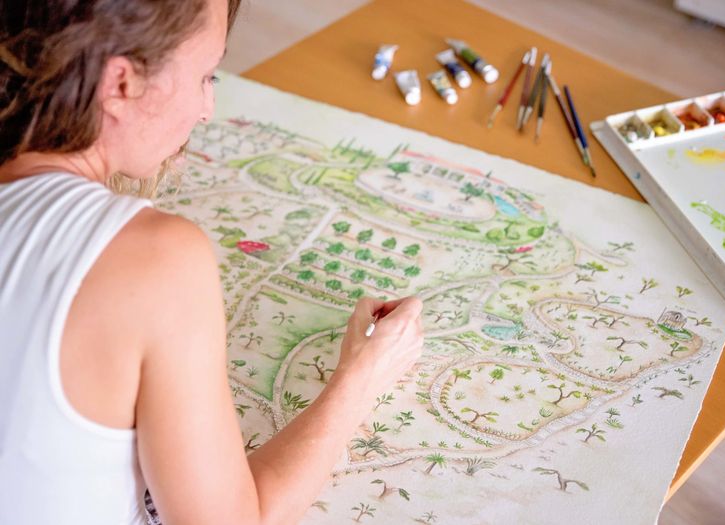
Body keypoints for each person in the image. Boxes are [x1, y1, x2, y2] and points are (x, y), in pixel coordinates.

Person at [0, 1, 424, 523]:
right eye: (207, 76)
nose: (208, 110)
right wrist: (361, 378)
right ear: (121, 84)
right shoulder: (154, 259)